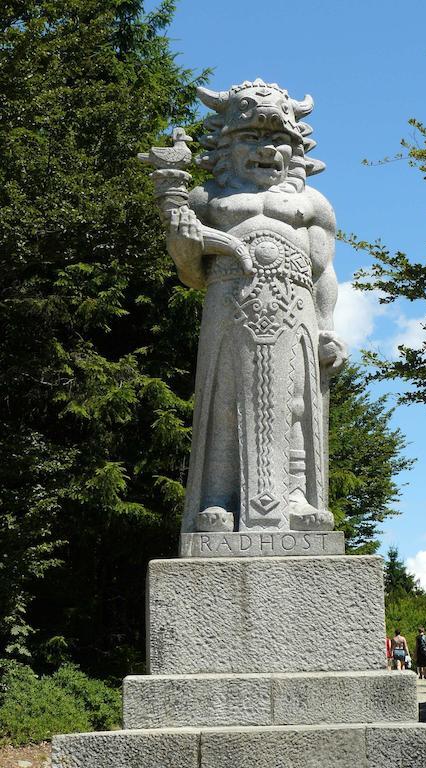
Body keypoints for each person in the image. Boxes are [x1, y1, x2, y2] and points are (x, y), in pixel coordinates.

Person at [154, 79, 347, 536]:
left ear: (296, 148)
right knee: (226, 402)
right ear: (226, 144)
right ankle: (219, 499)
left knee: (296, 403)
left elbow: (324, 272)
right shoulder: (207, 200)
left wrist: (328, 327)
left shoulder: (312, 203)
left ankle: (296, 496)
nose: (266, 149)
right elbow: (192, 274)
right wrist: (184, 244)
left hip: (295, 308)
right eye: (250, 137)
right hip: (229, 304)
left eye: (278, 139)